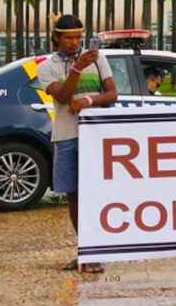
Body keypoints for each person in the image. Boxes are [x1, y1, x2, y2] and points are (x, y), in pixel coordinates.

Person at [36, 14, 118, 273]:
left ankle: (97, 250)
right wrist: (77, 69)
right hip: (66, 135)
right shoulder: (46, 67)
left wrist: (89, 101)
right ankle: (86, 251)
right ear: (56, 37)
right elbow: (62, 97)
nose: (74, 42)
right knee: (73, 195)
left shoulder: (98, 59)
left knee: (95, 193)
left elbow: (113, 94)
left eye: (78, 37)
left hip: (95, 135)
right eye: (68, 38)